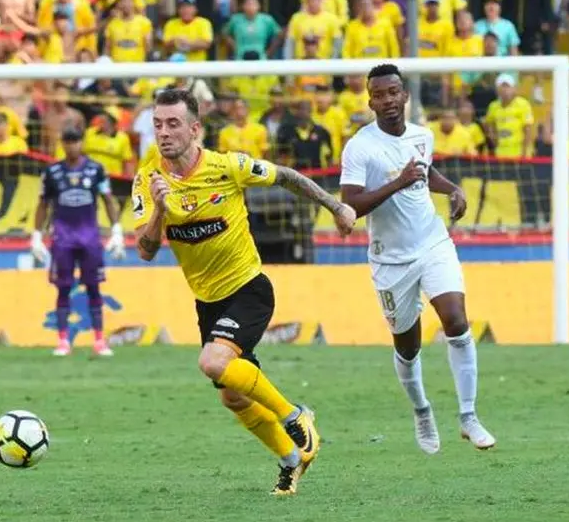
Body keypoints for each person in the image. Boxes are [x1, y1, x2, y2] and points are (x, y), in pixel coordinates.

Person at [131, 88, 356, 496]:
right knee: (233, 398)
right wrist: (160, 212)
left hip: (249, 288)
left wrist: (335, 206)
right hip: (207, 301)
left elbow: (286, 176)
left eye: (173, 124)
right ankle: (292, 458)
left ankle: (295, 415)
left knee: (213, 362)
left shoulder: (227, 166)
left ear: (195, 129)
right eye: (158, 124)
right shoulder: (148, 181)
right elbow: (145, 251)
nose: (164, 133)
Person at [339, 64, 496, 455]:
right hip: (390, 260)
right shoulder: (361, 146)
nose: (388, 100)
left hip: (432, 242)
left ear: (404, 95)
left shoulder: (422, 136)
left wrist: (451, 189)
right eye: (379, 94)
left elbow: (424, 173)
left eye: (394, 92)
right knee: (408, 347)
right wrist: (397, 183)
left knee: (457, 321)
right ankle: (422, 410)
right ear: (370, 100)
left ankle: (468, 416)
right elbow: (349, 206)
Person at [31, 128, 126, 358]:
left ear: (82, 143)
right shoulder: (52, 172)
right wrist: (36, 235)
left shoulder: (95, 169)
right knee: (63, 287)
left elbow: (108, 200)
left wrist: (117, 230)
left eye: (75, 141)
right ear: (62, 143)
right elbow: (43, 204)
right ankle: (63, 340)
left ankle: (99, 340)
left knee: (94, 287)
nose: (72, 146)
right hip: (62, 238)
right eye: (68, 141)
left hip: (89, 237)